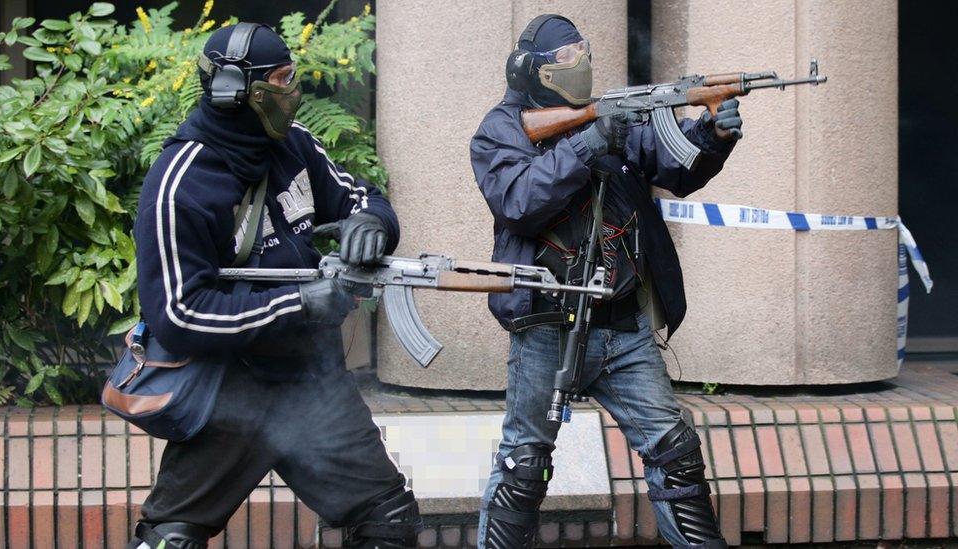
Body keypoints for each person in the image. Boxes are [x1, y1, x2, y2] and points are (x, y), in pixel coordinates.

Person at [128, 23, 422, 548]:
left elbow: (360, 197)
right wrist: (298, 304)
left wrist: (372, 223)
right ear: (247, 94)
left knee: (389, 522)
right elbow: (178, 313)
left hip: (313, 385)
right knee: (169, 542)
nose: (296, 90)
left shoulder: (295, 145)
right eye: (284, 79)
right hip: (227, 394)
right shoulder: (180, 184)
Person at [470, 14, 742, 549]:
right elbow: (518, 202)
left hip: (623, 324)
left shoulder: (612, 119)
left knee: (676, 451)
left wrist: (713, 133)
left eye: (584, 51)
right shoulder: (501, 129)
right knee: (525, 463)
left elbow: (674, 165)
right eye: (568, 57)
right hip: (547, 323)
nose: (583, 64)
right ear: (534, 71)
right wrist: (588, 141)